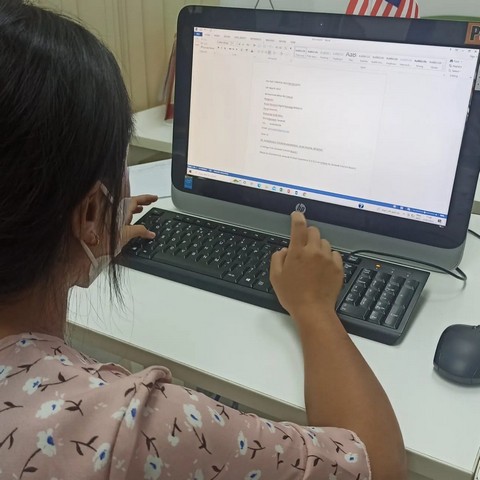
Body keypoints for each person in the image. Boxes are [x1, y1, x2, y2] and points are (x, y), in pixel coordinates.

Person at [0, 1, 407, 479]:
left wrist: (77, 247)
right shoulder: (135, 426)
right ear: (90, 211)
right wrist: (315, 308)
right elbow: (377, 466)